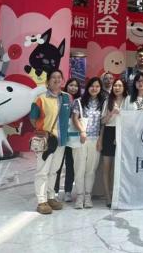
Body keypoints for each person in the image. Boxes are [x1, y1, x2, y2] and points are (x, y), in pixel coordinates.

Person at [30, 69, 72, 215]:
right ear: (47, 81)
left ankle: (51, 197)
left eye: (59, 77)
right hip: (47, 141)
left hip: (61, 141)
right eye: (53, 77)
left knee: (54, 171)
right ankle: (41, 201)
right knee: (42, 171)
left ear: (62, 80)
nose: (56, 79)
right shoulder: (40, 99)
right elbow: (33, 119)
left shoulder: (67, 98)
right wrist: (42, 132)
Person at [71, 77, 104, 209]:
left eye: (97, 86)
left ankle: (88, 196)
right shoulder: (79, 101)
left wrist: (100, 139)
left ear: (100, 88)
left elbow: (103, 123)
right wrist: (82, 131)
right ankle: (80, 196)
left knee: (91, 169)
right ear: (88, 87)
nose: (94, 88)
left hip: (95, 140)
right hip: (81, 139)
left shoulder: (103, 102)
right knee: (79, 168)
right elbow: (74, 118)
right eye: (92, 86)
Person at [99, 78, 128, 207]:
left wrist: (120, 136)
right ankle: (108, 197)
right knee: (107, 168)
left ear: (124, 88)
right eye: (115, 85)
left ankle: (120, 196)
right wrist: (111, 114)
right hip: (109, 133)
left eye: (120, 85)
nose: (117, 88)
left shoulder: (128, 100)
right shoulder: (108, 101)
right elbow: (102, 122)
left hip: (124, 134)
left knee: (121, 168)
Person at [54, 78, 79, 202]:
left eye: (76, 86)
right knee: (57, 164)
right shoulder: (61, 98)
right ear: (66, 86)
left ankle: (68, 191)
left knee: (70, 164)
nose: (73, 88)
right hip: (60, 135)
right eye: (71, 85)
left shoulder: (79, 101)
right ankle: (55, 191)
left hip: (73, 137)